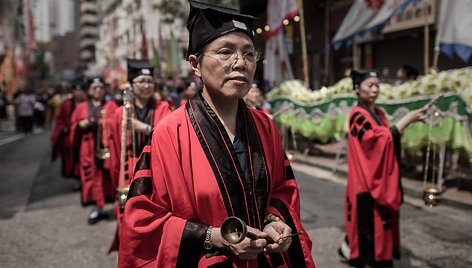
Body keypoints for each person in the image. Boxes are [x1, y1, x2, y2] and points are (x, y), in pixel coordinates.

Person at [118, 1, 315, 267]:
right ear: (195, 65)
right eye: (225, 52)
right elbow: (144, 221)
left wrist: (274, 221)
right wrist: (214, 237)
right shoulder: (169, 133)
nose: (240, 63)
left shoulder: (265, 126)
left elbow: (282, 189)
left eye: (248, 54)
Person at [339, 70, 427, 267]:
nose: (374, 89)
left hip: (379, 178)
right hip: (364, 181)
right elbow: (378, 140)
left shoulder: (379, 113)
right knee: (367, 232)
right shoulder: (357, 115)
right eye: (369, 85)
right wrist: (409, 118)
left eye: (377, 85)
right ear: (357, 88)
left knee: (382, 226)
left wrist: (410, 121)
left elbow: (387, 139)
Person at [108, 59, 171, 251]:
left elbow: (167, 137)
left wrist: (142, 128)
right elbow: (115, 148)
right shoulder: (120, 113)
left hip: (155, 168)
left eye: (149, 81)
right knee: (127, 216)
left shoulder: (163, 108)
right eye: (141, 81)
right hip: (129, 169)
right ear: (131, 85)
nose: (146, 86)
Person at [70, 77, 117, 224]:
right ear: (89, 90)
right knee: (90, 176)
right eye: (94, 87)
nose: (98, 90)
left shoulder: (111, 105)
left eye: (100, 87)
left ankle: (104, 206)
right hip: (88, 148)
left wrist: (103, 122)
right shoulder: (81, 107)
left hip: (105, 148)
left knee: (106, 176)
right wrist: (80, 125)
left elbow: (116, 122)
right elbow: (73, 124)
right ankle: (96, 207)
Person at [51, 84, 86, 178]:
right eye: (76, 91)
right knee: (71, 158)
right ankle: (75, 176)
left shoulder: (87, 104)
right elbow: (60, 119)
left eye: (80, 91)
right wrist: (63, 128)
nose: (78, 93)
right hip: (69, 135)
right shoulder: (66, 104)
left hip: (84, 135)